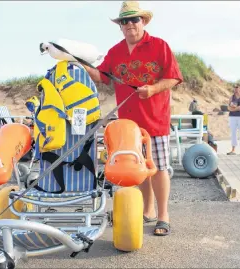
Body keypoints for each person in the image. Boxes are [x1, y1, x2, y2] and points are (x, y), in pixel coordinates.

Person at [83, 1, 183, 236]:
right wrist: (79, 64)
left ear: (143, 21)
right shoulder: (116, 51)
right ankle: (147, 211)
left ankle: (163, 216)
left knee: (158, 168)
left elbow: (174, 78)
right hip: (128, 124)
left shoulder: (159, 46)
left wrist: (153, 89)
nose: (129, 25)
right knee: (139, 168)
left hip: (155, 120)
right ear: (120, 26)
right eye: (124, 21)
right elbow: (102, 75)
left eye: (133, 20)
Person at [227, 84, 240, 155]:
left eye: (237, 88)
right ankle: (233, 150)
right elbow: (228, 108)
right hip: (232, 117)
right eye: (234, 88)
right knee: (233, 133)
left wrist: (234, 108)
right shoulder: (231, 97)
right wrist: (235, 108)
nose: (235, 89)